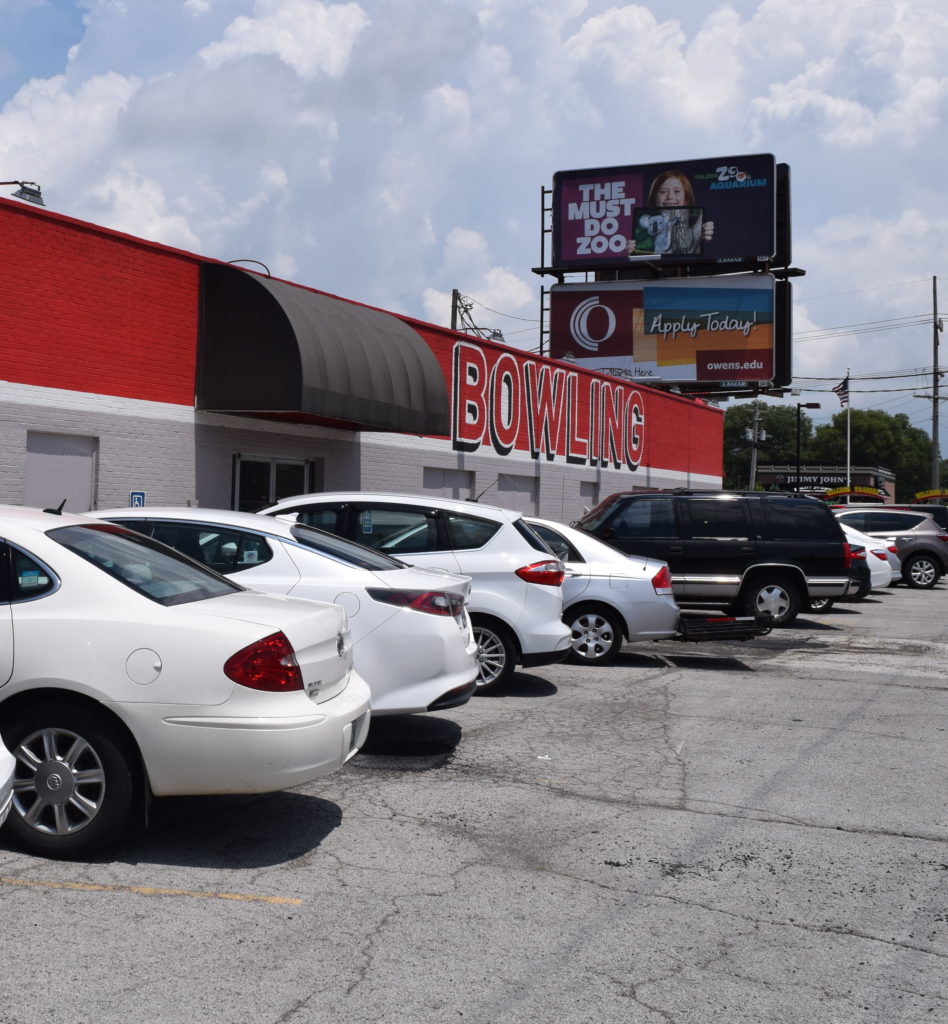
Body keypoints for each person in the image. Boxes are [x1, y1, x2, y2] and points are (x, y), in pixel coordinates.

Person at [627, 169, 714, 256]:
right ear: (655, 197)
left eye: (677, 191)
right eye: (663, 191)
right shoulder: (651, 226)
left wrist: (703, 241)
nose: (670, 197)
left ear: (686, 197)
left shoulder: (698, 223)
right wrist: (632, 255)